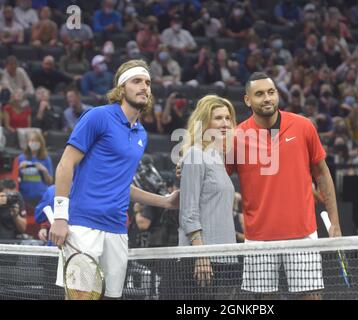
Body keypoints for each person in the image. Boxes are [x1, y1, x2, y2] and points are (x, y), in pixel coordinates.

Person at [49, 59, 179, 300]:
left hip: (118, 229)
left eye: (148, 82)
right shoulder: (97, 117)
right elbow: (65, 164)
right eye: (137, 81)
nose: (144, 87)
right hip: (83, 226)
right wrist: (60, 216)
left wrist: (165, 201)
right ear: (121, 89)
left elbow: (123, 186)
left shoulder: (142, 134)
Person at [228, 72, 342, 299]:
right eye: (259, 94)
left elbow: (322, 174)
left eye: (271, 92)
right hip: (258, 237)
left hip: (303, 233)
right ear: (248, 100)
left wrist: (335, 223)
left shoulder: (303, 126)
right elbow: (218, 179)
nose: (267, 98)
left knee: (311, 297)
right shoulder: (237, 136)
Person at [178, 95, 239, 299]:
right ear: (205, 123)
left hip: (226, 257)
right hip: (203, 259)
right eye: (218, 118)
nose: (225, 123)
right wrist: (200, 255)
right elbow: (189, 212)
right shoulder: (195, 154)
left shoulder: (219, 159)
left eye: (228, 118)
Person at [17, 130, 53, 207]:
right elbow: (15, 179)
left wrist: (44, 170)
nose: (33, 143)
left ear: (41, 143)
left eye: (36, 141)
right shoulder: (21, 158)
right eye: (31, 141)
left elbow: (49, 181)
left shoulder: (46, 158)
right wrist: (19, 168)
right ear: (28, 143)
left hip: (41, 197)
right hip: (24, 196)